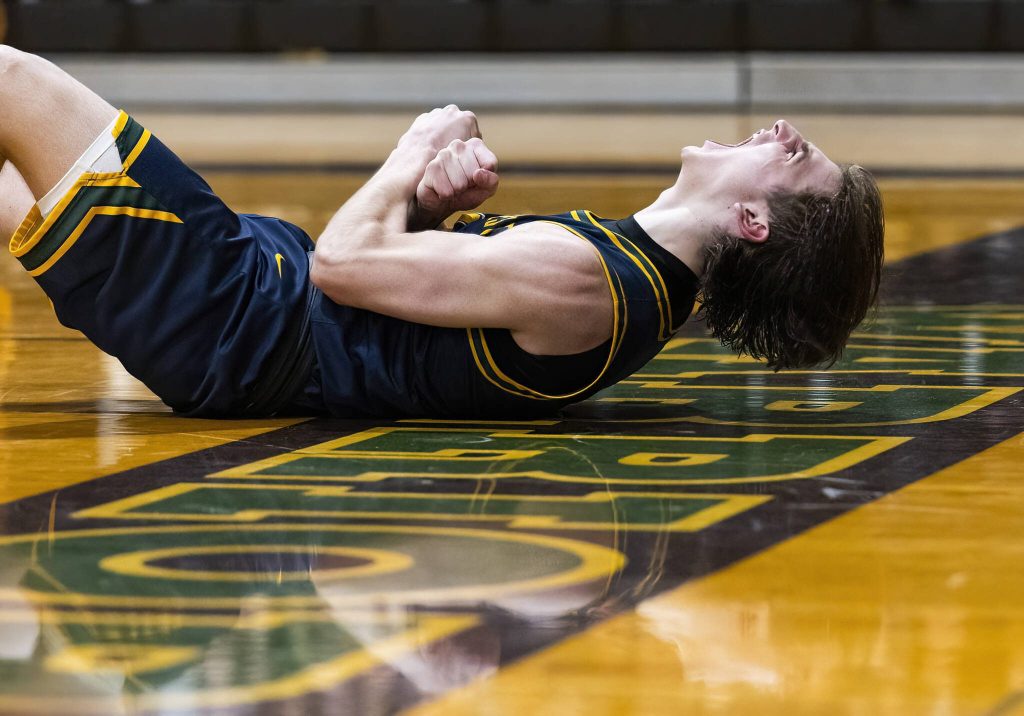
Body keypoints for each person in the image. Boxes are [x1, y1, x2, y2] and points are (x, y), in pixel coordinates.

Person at [0, 47, 884, 420]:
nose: (778, 128)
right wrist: (426, 210)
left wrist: (407, 153)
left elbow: (344, 266)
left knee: (15, 83)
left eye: (796, 153)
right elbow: (405, 310)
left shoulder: (589, 280)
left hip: (235, 314)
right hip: (241, 317)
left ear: (753, 221)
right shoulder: (623, 275)